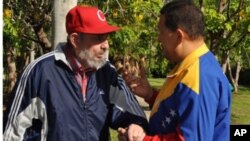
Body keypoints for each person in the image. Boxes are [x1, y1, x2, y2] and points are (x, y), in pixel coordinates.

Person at [3, 5, 148, 141]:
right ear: (75, 40)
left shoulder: (107, 72)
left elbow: (134, 114)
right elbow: (12, 134)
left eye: (106, 37)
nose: (106, 45)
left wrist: (136, 125)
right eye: (98, 38)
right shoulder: (40, 72)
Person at [119, 1, 232, 141]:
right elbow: (180, 110)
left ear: (178, 36)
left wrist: (143, 140)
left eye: (161, 32)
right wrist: (151, 95)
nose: (159, 38)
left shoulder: (198, 77)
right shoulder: (193, 65)